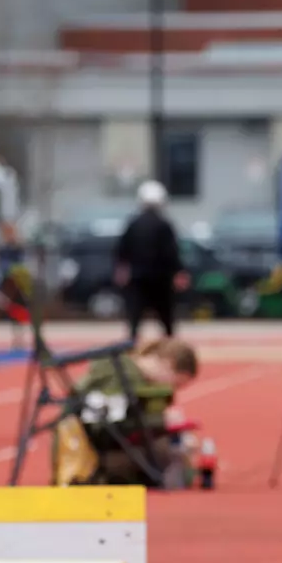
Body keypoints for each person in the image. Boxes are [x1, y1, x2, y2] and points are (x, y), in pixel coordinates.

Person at [66, 337, 202, 488]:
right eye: (175, 384)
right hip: (94, 454)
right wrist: (162, 422)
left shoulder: (131, 372)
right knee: (168, 456)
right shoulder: (120, 373)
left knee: (170, 453)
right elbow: (107, 429)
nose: (171, 389)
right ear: (168, 364)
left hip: (102, 447)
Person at [113, 181, 189, 341]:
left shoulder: (133, 224)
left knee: (134, 318)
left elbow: (121, 251)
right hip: (161, 279)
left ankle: (131, 344)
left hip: (137, 278)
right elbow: (172, 252)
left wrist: (121, 270)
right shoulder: (164, 225)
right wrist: (179, 271)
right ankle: (169, 346)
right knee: (166, 319)